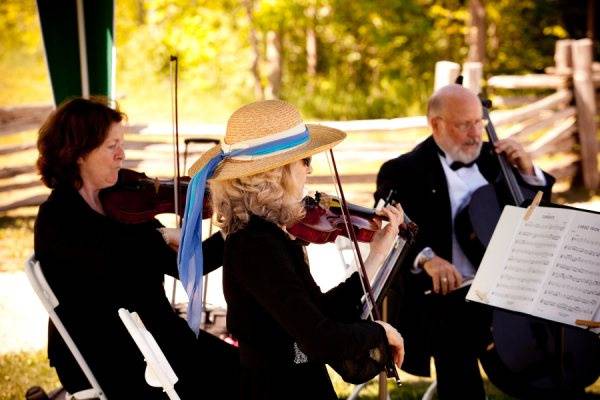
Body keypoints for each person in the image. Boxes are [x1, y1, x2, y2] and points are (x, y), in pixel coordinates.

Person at [180, 99, 405, 399]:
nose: (309, 170)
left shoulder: (267, 236)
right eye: (304, 160)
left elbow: (321, 312)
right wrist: (380, 333)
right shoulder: (256, 246)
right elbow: (319, 338)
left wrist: (376, 255)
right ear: (277, 172)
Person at [34, 97, 239, 399]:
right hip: (112, 353)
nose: (122, 155)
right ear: (78, 152)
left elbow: (190, 265)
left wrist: (237, 228)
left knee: (244, 371)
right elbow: (105, 290)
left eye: (121, 144)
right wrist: (158, 239)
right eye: (111, 145)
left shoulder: (122, 205)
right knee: (235, 379)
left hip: (156, 338)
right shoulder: (58, 219)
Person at [374, 84, 555, 400]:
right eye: (464, 125)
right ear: (437, 125)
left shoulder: (495, 158)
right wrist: (427, 258)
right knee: (453, 334)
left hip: (507, 287)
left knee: (553, 341)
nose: (476, 134)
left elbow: (537, 216)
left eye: (479, 123)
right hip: (447, 295)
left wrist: (528, 172)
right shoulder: (403, 170)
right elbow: (389, 227)